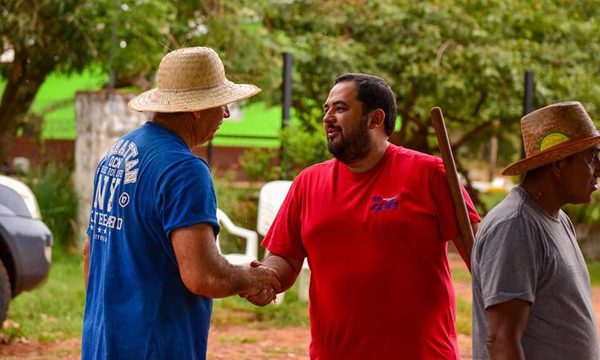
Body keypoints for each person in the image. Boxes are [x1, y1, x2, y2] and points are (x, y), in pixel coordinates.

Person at [243, 73, 481, 359]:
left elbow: (483, 257)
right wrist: (265, 280)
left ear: (375, 119)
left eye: (340, 108)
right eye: (326, 109)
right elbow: (284, 257)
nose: (327, 118)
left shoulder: (432, 174)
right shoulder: (307, 182)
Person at [81, 47, 280, 359]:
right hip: (156, 347)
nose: (225, 114)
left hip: (101, 341)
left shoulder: (118, 153)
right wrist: (253, 277)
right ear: (197, 108)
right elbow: (203, 275)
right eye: (221, 103)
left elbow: (90, 252)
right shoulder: (185, 169)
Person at [471, 101, 600, 359]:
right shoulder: (515, 225)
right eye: (591, 158)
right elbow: (501, 340)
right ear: (559, 165)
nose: (598, 169)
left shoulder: (558, 219)